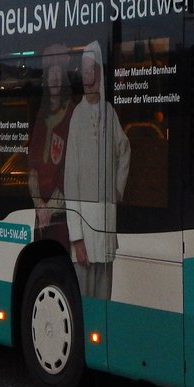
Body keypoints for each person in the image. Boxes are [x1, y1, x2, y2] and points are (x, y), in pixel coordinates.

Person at [64, 41, 130, 300]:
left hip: (106, 225)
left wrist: (117, 187)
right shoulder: (77, 117)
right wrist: (77, 239)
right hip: (84, 233)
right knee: (85, 298)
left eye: (93, 71)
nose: (89, 76)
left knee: (105, 298)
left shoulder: (109, 113)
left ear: (99, 74)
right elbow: (71, 180)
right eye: (85, 71)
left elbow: (124, 149)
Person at [28, 44, 74, 249]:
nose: (55, 78)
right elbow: (32, 168)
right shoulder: (41, 116)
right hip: (42, 218)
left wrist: (49, 209)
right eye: (50, 73)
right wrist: (39, 206)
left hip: (62, 218)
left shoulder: (73, 114)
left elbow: (71, 172)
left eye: (59, 72)